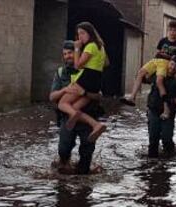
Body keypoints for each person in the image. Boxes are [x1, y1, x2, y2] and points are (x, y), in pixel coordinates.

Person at [49, 40, 103, 174]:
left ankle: (83, 187)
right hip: (68, 119)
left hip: (88, 116)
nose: (67, 56)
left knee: (86, 154)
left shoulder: (89, 71)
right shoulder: (61, 73)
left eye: (70, 53)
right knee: (63, 150)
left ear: (78, 53)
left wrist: (84, 93)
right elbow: (52, 96)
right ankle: (64, 179)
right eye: (65, 54)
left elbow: (99, 96)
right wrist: (64, 90)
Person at [121, 21, 176, 120]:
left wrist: (174, 69)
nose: (173, 32)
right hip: (156, 61)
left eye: (175, 31)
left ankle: (166, 108)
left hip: (166, 63)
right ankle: (132, 97)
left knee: (159, 81)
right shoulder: (163, 40)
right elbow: (158, 53)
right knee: (141, 72)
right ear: (168, 30)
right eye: (171, 30)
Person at [57, 22, 108, 142]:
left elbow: (78, 65)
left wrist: (77, 48)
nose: (80, 36)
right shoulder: (101, 47)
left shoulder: (90, 46)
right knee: (74, 108)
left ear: (90, 33)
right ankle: (96, 125)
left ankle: (83, 121)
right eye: (78, 34)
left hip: (87, 78)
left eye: (82, 33)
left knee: (62, 104)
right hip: (96, 80)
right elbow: (106, 63)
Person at [147, 55, 176, 158]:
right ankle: (152, 165)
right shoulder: (158, 72)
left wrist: (170, 101)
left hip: (169, 113)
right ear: (168, 63)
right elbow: (143, 76)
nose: (172, 68)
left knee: (167, 139)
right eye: (172, 64)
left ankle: (168, 164)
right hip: (153, 110)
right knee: (153, 139)